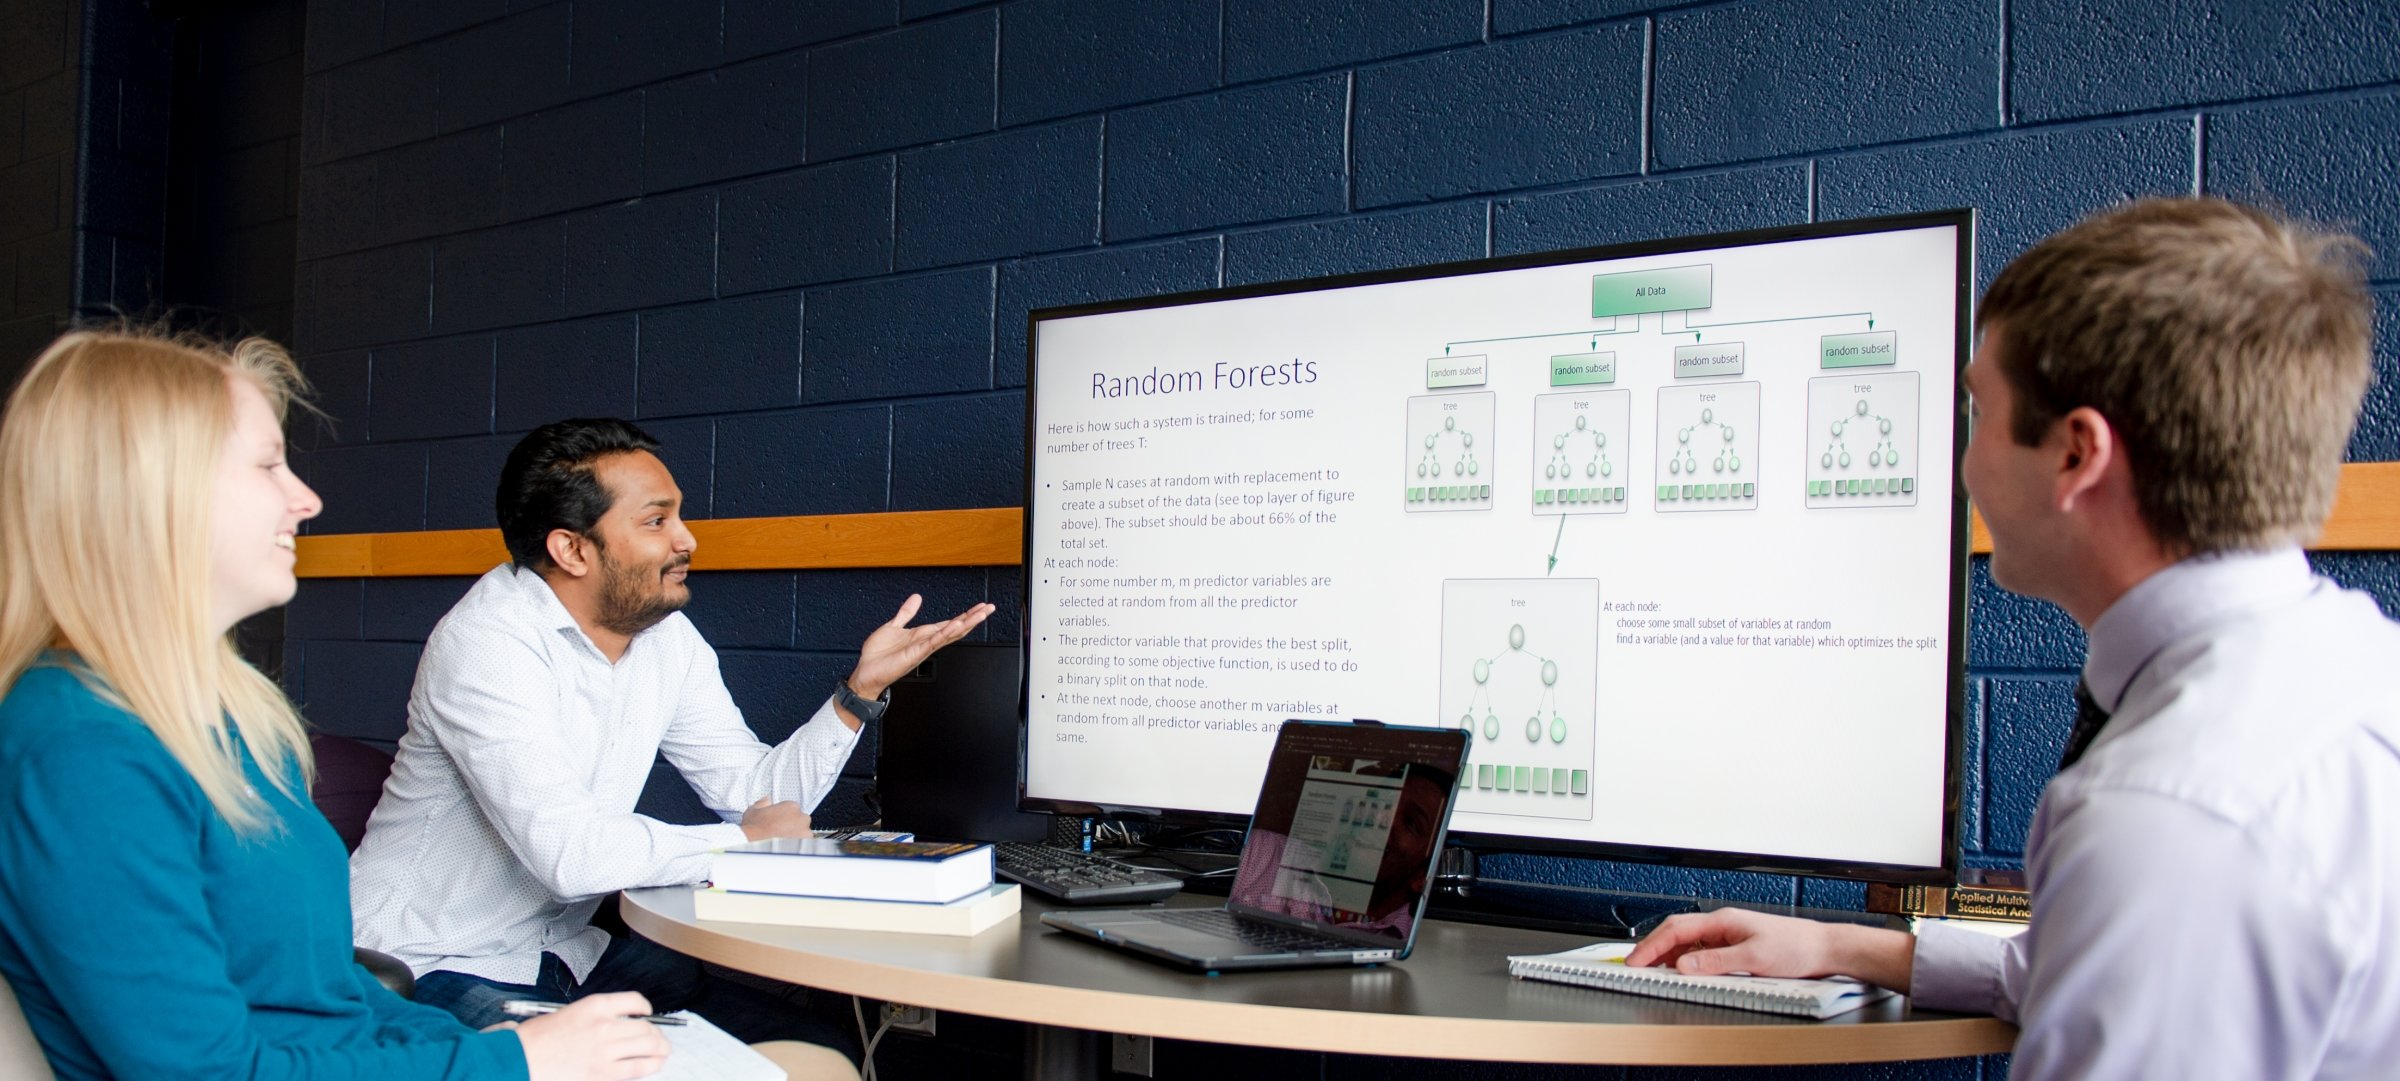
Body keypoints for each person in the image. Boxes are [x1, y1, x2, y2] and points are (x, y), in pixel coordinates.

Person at [1625, 198, 2400, 1078]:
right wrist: (1847, 945)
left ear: (2078, 455)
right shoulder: (2354, 668)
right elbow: (2119, 970)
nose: (1963, 468)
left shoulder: (2166, 818)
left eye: (1979, 416)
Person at [0, 330, 669, 1080]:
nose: (306, 498)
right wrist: (512, 1064)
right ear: (145, 491)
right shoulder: (77, 747)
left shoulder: (229, 718)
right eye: (265, 465)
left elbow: (325, 991)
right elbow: (203, 1072)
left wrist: (501, 1048)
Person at [348, 417, 992, 1054]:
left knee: (814, 1044)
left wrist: (858, 695)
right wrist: (742, 842)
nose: (686, 539)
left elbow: (753, 792)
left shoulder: (665, 639)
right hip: (425, 963)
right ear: (572, 549)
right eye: (657, 521)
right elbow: (570, 854)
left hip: (564, 952)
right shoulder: (487, 643)